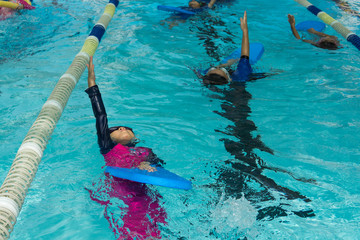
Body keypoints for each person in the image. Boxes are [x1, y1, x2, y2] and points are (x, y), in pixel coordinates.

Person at [85, 56, 167, 239]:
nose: (121, 128)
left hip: (145, 192)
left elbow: (160, 168)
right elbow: (100, 116)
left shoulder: (146, 151)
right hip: (123, 193)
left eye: (126, 128)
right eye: (115, 129)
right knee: (133, 228)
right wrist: (92, 84)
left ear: (135, 137)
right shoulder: (108, 148)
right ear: (108, 137)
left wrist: (145, 163)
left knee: (160, 223)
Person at [198, 11, 252, 85]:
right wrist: (245, 30)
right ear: (230, 79)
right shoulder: (240, 76)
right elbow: (245, 55)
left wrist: (224, 66)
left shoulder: (203, 73)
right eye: (223, 70)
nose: (217, 67)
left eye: (213, 68)